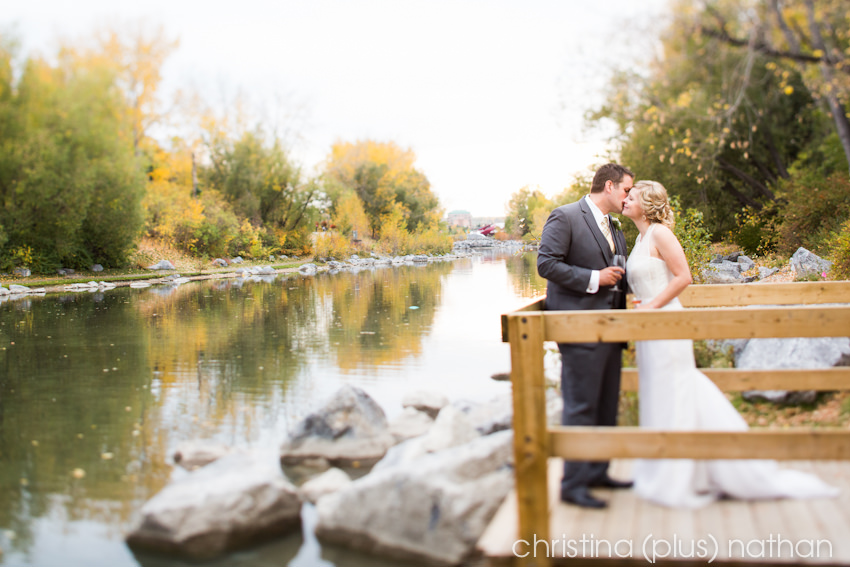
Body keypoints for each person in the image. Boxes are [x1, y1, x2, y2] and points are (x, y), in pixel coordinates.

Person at [622, 180, 839, 508]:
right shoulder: (639, 238)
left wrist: (652, 306)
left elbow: (683, 277)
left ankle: (686, 474)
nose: (626, 199)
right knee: (658, 389)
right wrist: (642, 305)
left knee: (677, 387)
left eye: (632, 196)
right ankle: (667, 466)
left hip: (666, 323)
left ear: (648, 204)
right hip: (648, 327)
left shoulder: (660, 234)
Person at [537, 163, 635, 509]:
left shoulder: (614, 225)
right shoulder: (565, 217)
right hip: (577, 327)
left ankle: (597, 472)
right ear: (609, 186)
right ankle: (573, 485)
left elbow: (620, 274)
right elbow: (546, 264)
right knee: (581, 405)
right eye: (626, 190)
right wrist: (595, 278)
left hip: (611, 328)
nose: (628, 197)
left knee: (606, 403)